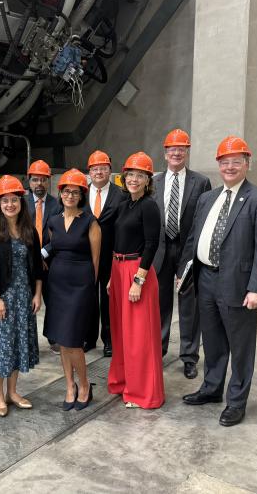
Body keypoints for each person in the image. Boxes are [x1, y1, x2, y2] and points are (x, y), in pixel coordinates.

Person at [180, 136, 257, 426]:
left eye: (236, 161)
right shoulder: (207, 198)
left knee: (241, 345)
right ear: (218, 165)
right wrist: (184, 271)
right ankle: (211, 388)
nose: (230, 166)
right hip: (206, 278)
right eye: (225, 162)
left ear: (247, 164)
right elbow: (194, 237)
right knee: (212, 340)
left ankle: (236, 401)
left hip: (237, 283)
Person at [0, 175, 44, 417]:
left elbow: (36, 266)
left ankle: (13, 392)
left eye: (14, 200)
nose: (10, 204)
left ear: (21, 203)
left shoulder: (29, 231)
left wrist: (37, 294)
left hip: (23, 299)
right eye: (5, 201)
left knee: (16, 346)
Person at [107, 152, 165, 409]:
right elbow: (115, 239)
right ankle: (124, 382)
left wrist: (138, 281)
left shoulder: (149, 205)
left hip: (136, 271)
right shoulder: (124, 203)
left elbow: (152, 244)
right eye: (130, 174)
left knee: (139, 336)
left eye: (139, 175)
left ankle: (143, 392)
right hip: (118, 269)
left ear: (147, 179)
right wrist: (112, 277)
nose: (133, 179)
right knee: (121, 332)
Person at [152, 129, 211, 379]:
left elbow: (201, 220)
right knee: (160, 303)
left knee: (190, 305)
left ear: (187, 152)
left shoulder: (201, 182)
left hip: (188, 248)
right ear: (165, 154)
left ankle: (189, 356)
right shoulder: (154, 181)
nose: (176, 153)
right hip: (160, 249)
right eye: (172, 149)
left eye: (181, 149)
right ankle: (159, 350)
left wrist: (190, 255)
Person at [44, 169, 101, 410]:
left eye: (75, 192)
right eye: (66, 191)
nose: (70, 195)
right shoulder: (53, 221)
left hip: (80, 287)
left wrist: (89, 288)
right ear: (60, 193)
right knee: (62, 341)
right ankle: (69, 386)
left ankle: (85, 385)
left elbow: (96, 262)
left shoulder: (90, 221)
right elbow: (51, 250)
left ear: (81, 196)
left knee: (73, 341)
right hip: (56, 285)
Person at [83, 150, 124, 356]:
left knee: (108, 300)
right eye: (94, 169)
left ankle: (109, 340)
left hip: (110, 256)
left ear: (110, 170)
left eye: (103, 168)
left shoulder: (121, 194)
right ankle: (89, 338)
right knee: (88, 298)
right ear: (89, 172)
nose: (99, 172)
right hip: (86, 258)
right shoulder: (81, 193)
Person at [25, 159, 62, 354]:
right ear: (29, 181)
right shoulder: (20, 203)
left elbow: (60, 235)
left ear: (49, 181)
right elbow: (18, 232)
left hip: (50, 261)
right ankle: (28, 341)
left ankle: (53, 337)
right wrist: (32, 256)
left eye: (43, 180)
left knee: (52, 300)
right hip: (25, 262)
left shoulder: (58, 205)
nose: (39, 184)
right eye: (35, 180)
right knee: (26, 300)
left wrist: (42, 255)